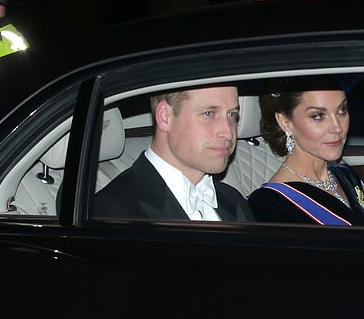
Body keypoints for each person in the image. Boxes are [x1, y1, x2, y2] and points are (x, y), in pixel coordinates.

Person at [94, 85, 255, 222]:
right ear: (165, 117)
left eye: (232, 114)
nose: (228, 132)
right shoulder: (112, 213)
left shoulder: (233, 201)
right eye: (209, 114)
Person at [247, 79, 364, 226]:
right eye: (318, 116)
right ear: (285, 122)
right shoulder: (270, 203)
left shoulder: (346, 175)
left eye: (342, 110)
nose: (337, 127)